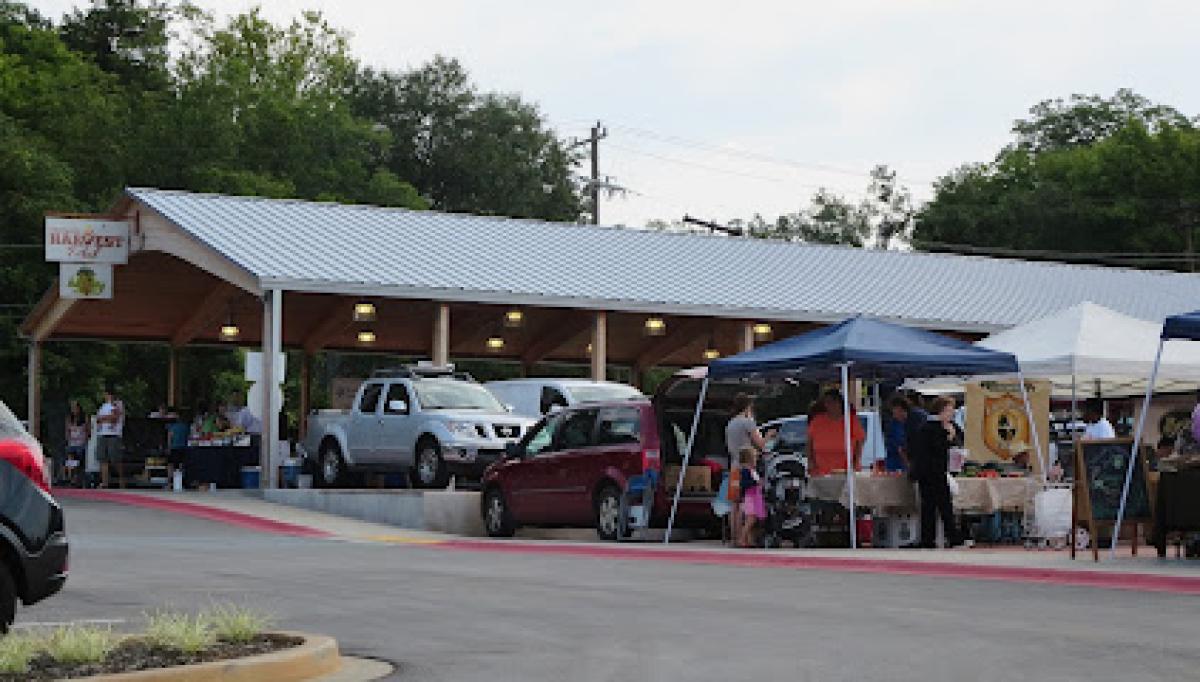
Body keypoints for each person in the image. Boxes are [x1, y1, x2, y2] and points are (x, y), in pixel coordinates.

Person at [910, 396, 963, 549]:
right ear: (941, 411)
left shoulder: (931, 426)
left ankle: (928, 538)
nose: (951, 413)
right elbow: (938, 447)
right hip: (933, 471)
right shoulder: (932, 427)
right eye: (948, 410)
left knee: (930, 506)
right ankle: (952, 537)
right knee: (943, 505)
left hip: (929, 471)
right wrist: (950, 437)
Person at [806, 389, 865, 477]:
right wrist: (810, 462)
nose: (828, 405)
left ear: (839, 403)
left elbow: (859, 442)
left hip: (845, 473)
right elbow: (809, 443)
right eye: (826, 402)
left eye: (831, 402)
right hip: (820, 472)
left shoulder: (851, 421)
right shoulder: (817, 421)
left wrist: (855, 463)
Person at [887, 395, 929, 473]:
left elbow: (914, 441)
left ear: (899, 408)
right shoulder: (914, 416)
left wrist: (909, 462)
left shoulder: (914, 418)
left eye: (894, 412)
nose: (894, 416)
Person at [95, 387, 125, 488]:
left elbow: (114, 418)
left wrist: (104, 418)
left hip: (113, 434)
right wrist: (104, 419)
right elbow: (98, 419)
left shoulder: (117, 404)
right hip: (102, 433)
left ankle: (121, 478)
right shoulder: (103, 406)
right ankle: (105, 482)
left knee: (114, 458)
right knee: (103, 458)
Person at [737, 446, 765, 548]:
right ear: (748, 459)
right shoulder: (745, 471)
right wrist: (756, 482)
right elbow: (744, 484)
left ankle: (749, 540)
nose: (756, 460)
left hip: (754, 496)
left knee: (751, 519)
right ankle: (742, 538)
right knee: (751, 519)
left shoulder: (752, 470)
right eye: (754, 458)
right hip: (750, 497)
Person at [64, 400, 89, 487]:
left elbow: (87, 430)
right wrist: (68, 440)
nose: (74, 410)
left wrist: (85, 441)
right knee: (71, 459)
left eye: (75, 407)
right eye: (72, 408)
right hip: (72, 443)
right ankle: (71, 478)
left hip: (81, 443)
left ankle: (78, 479)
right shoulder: (69, 418)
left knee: (79, 461)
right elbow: (67, 430)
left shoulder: (84, 418)